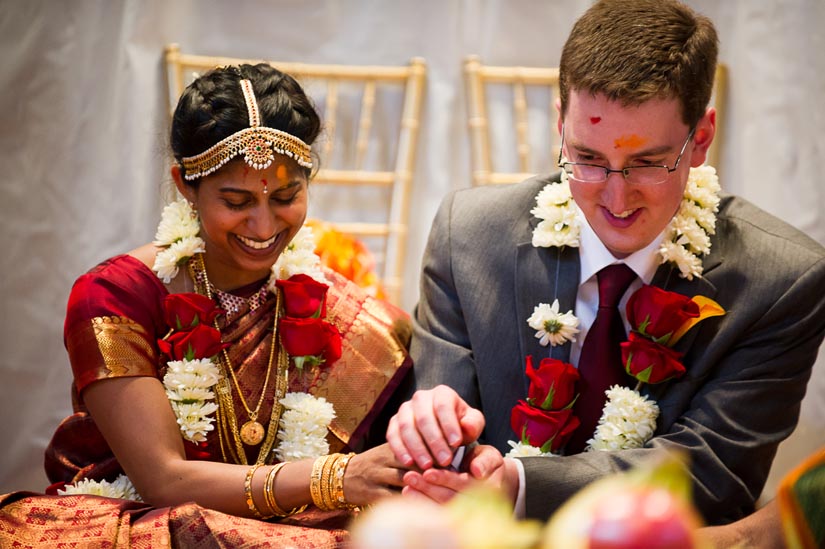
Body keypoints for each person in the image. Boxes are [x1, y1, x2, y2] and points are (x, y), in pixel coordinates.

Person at [386, 0, 825, 526]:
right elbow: (444, 431)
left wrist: (519, 485)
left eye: (648, 163)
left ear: (701, 139)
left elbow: (713, 474)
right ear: (560, 127)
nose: (616, 199)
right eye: (588, 159)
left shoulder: (782, 279)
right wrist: (432, 428)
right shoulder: (469, 236)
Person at [0, 64, 413, 546]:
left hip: (302, 521)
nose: (263, 226)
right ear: (184, 184)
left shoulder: (332, 303)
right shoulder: (115, 297)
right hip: (156, 519)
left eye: (285, 196)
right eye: (236, 201)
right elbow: (164, 481)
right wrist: (335, 478)